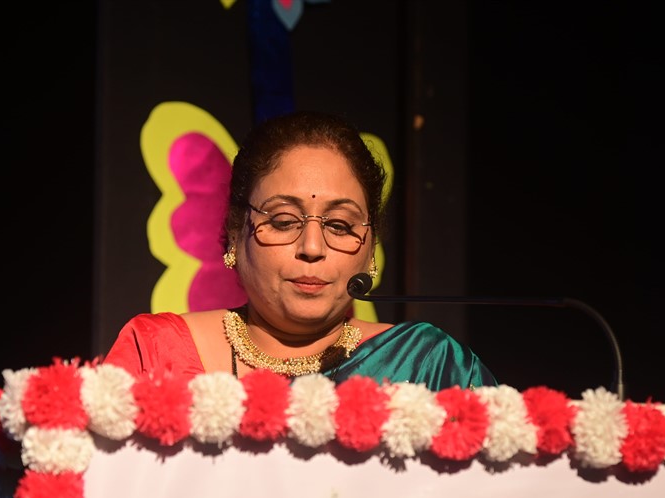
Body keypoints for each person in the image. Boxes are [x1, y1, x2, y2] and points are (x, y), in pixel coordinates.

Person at [103, 110, 496, 390]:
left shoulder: (427, 367)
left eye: (339, 226)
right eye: (283, 221)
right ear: (235, 234)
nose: (312, 248)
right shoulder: (157, 354)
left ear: (370, 248)